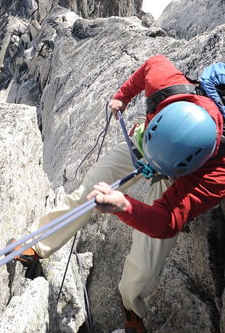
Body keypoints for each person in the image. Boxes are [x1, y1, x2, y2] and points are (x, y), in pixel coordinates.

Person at [11, 54, 225, 333]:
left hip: (178, 179)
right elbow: (152, 62)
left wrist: (126, 207)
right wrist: (122, 96)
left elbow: (167, 220)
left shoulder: (218, 171)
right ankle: (36, 244)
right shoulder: (167, 85)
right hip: (141, 144)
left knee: (147, 262)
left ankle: (131, 303)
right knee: (87, 193)